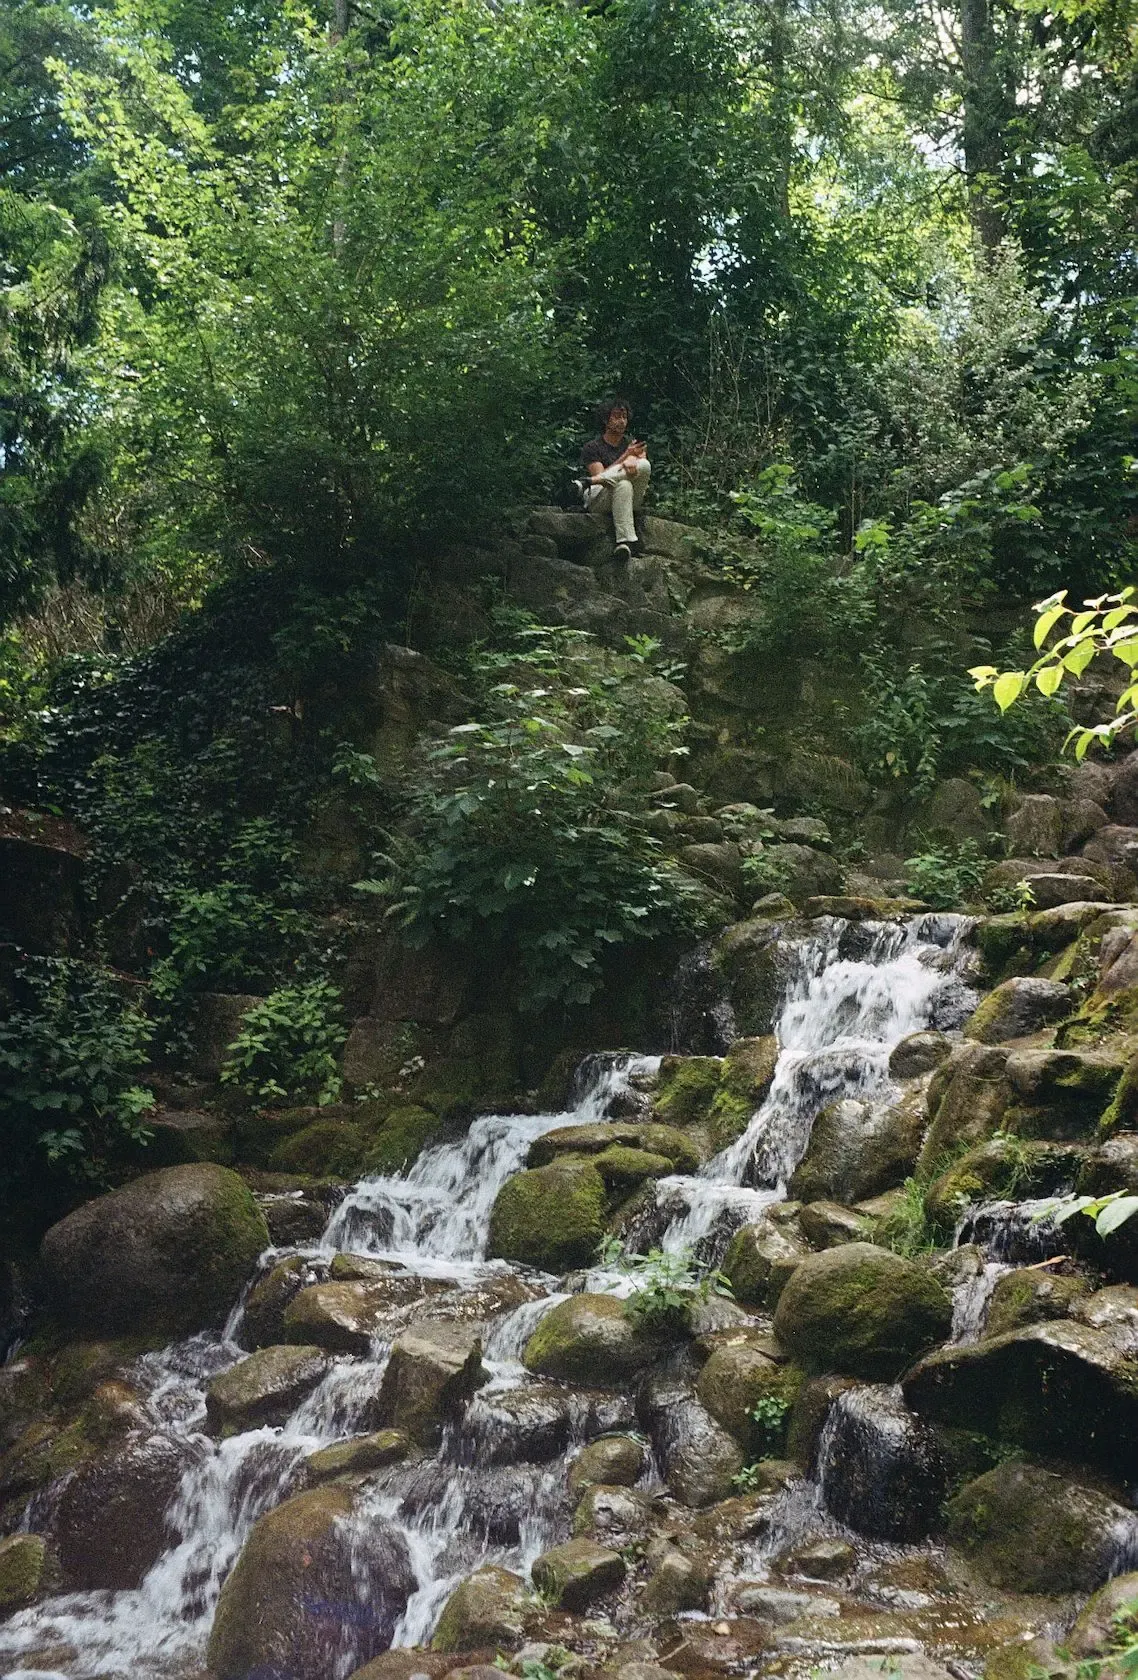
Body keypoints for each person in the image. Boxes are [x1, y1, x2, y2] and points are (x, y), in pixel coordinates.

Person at [580, 398, 651, 561]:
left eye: (624, 416)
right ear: (606, 419)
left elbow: (641, 468)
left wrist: (634, 462)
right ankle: (625, 541)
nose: (621, 421)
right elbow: (601, 477)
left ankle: (585, 483)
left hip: (629, 498)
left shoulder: (633, 444)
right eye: (617, 416)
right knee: (623, 484)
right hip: (600, 499)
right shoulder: (593, 447)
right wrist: (626, 457)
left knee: (644, 466)